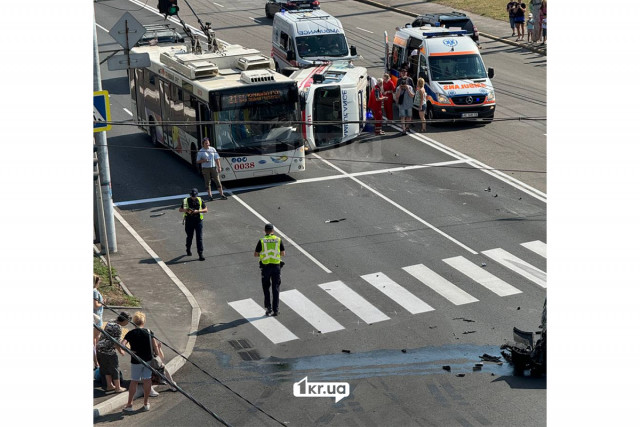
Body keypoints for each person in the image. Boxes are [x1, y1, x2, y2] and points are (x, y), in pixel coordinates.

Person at [122, 311, 159, 413]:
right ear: (144, 321)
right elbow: (155, 346)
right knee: (147, 380)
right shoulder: (149, 331)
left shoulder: (130, 333)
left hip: (135, 360)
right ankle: (146, 403)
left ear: (134, 321)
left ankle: (129, 404)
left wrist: (130, 351)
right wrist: (158, 355)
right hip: (148, 360)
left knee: (134, 381)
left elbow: (122, 344)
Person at [254, 223, 285, 317]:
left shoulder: (262, 241)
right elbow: (283, 253)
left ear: (265, 230)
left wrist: (263, 255)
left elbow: (256, 254)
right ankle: (276, 310)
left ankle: (268, 309)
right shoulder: (278, 240)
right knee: (275, 288)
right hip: (276, 267)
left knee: (266, 288)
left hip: (265, 267)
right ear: (273, 230)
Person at [96, 311, 131, 393]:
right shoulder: (118, 327)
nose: (127, 323)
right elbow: (116, 343)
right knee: (115, 368)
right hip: (109, 351)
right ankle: (118, 387)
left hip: (100, 348)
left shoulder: (111, 321)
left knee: (105, 368)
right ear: (125, 321)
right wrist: (121, 351)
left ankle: (109, 385)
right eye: (128, 322)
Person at [179, 188, 208, 261]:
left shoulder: (200, 200)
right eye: (192, 196)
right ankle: (188, 249)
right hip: (189, 221)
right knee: (190, 237)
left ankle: (200, 254)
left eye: (194, 196)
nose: (193, 197)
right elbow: (180, 209)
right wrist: (188, 210)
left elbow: (206, 210)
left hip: (198, 221)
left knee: (199, 238)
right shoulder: (185, 200)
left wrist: (197, 211)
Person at [196, 137, 227, 201]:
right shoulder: (201, 151)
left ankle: (222, 195)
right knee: (208, 182)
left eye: (208, 143)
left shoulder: (212, 149)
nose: (207, 144)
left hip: (213, 167)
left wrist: (219, 167)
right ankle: (210, 196)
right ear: (203, 144)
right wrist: (204, 160)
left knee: (217, 181)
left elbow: (217, 158)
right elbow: (197, 161)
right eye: (206, 143)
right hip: (205, 168)